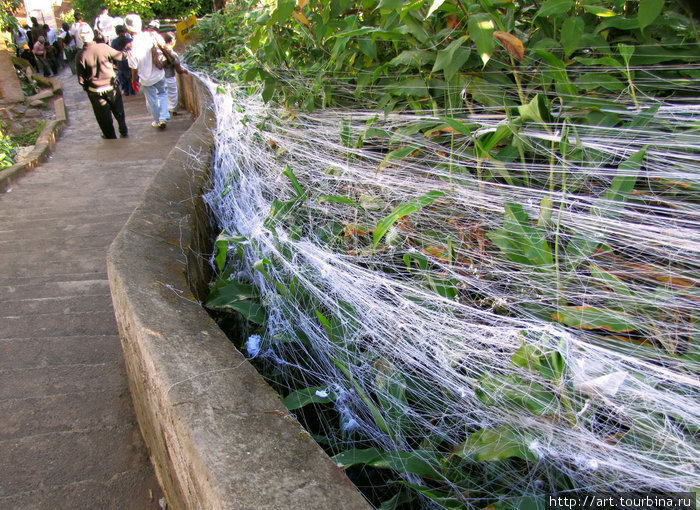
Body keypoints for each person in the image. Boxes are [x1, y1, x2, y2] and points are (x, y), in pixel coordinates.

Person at [75, 24, 129, 139]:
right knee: (118, 110)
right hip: (111, 86)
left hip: (95, 90)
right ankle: (123, 130)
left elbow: (81, 78)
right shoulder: (103, 47)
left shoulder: (80, 55)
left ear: (80, 38)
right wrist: (128, 49)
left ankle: (110, 136)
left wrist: (87, 87)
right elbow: (121, 56)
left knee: (103, 116)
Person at [124, 14, 169, 129]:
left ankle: (157, 120)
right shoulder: (150, 36)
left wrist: (134, 81)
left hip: (145, 78)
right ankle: (164, 117)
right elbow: (164, 47)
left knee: (152, 99)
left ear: (128, 28)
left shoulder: (131, 46)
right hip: (158, 73)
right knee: (163, 93)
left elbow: (134, 67)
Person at [161, 32, 188, 116]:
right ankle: (173, 112)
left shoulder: (160, 51)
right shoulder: (172, 54)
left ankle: (163, 113)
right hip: (169, 77)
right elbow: (179, 70)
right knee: (172, 95)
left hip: (159, 78)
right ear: (172, 41)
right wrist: (184, 71)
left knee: (162, 95)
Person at [111, 25, 134, 96]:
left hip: (120, 64)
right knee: (131, 79)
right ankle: (132, 92)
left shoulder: (114, 42)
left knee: (123, 81)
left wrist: (114, 63)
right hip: (129, 63)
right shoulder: (130, 40)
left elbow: (113, 54)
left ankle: (126, 92)